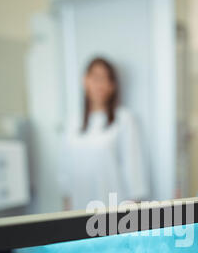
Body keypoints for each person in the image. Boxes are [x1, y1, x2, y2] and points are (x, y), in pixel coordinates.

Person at [59, 58, 149, 210]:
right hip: (79, 208)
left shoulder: (124, 119)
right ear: (85, 81)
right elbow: (66, 168)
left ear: (112, 86)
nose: (100, 84)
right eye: (95, 78)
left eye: (106, 79)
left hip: (114, 209)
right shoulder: (73, 121)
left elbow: (134, 169)